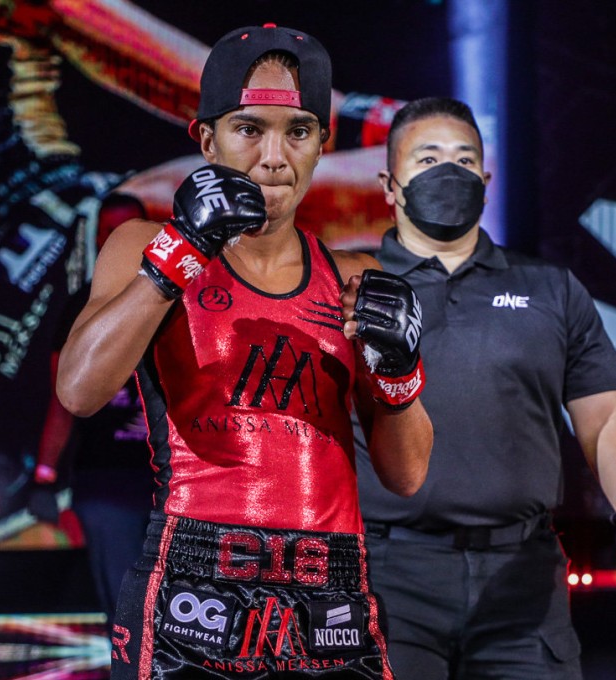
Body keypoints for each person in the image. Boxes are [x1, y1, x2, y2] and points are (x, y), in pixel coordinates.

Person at [56, 24, 433, 680]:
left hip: (333, 586)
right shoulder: (144, 243)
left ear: (323, 143)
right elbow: (79, 390)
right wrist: (177, 256)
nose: (273, 156)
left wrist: (400, 371)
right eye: (249, 129)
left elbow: (407, 475)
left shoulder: (356, 279)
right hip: (194, 579)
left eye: (297, 132)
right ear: (206, 139)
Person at [355, 96, 616, 679]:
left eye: (463, 159)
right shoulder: (349, 286)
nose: (448, 172)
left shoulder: (551, 290)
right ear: (389, 182)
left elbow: (603, 417)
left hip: (523, 582)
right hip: (383, 574)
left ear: (485, 178)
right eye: (427, 159)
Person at [30, 192, 154, 617]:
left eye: (130, 230)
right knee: (126, 615)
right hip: (105, 485)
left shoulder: (184, 299)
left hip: (177, 488)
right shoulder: (80, 307)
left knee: (180, 619)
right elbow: (63, 401)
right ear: (99, 238)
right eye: (110, 231)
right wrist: (45, 477)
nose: (121, 239)